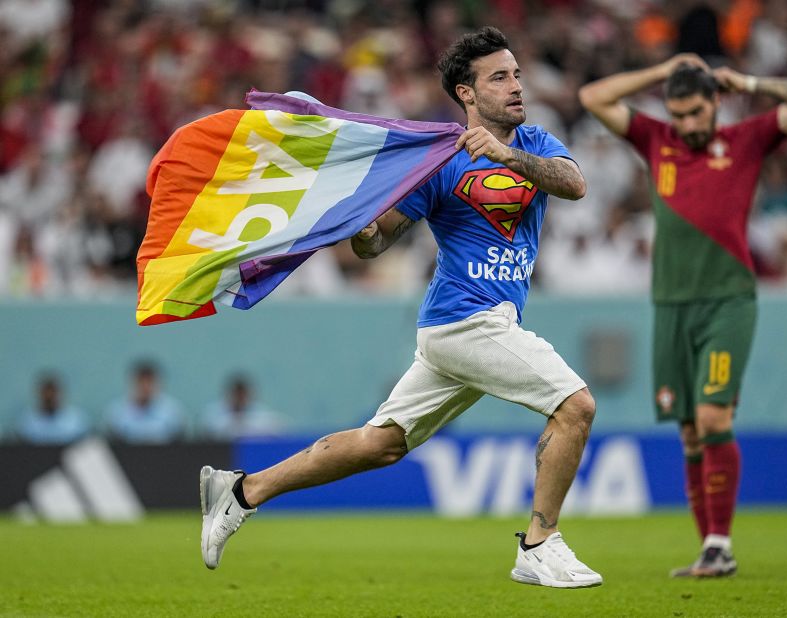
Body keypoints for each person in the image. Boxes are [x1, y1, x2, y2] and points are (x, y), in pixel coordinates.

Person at [200, 26, 601, 589]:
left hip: (470, 328)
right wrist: (359, 226)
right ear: (466, 94)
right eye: (499, 77)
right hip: (466, 320)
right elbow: (377, 241)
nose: (516, 86)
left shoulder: (534, 144)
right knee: (576, 406)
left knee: (380, 444)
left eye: (516, 74)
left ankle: (241, 491)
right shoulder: (438, 161)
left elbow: (575, 184)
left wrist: (506, 154)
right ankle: (538, 544)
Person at [579, 54, 787, 577]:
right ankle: (710, 551)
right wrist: (660, 71)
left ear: (716, 102)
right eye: (678, 114)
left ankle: (721, 543)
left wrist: (750, 82)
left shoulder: (747, 140)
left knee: (715, 416)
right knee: (691, 432)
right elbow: (592, 98)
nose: (688, 124)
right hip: (669, 305)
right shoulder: (656, 139)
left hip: (727, 301)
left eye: (695, 112)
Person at [105, 359, 185, 443]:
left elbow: (179, 442)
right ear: (133, 383)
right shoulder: (116, 412)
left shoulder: (172, 412)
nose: (145, 387)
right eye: (141, 382)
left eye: (149, 382)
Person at [199, 374, 286, 440]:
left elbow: (279, 427)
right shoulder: (213, 413)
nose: (239, 398)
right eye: (237, 394)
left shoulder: (260, 414)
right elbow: (208, 431)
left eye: (242, 394)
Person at [15, 372, 90, 445]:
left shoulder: (76, 420)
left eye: (53, 393)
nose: (50, 397)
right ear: (40, 394)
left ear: (60, 393)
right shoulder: (27, 421)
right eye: (46, 394)